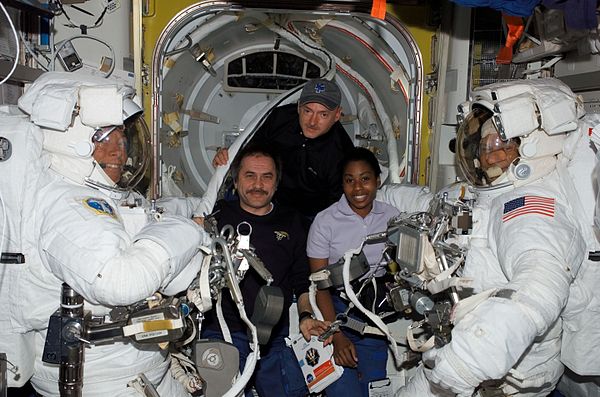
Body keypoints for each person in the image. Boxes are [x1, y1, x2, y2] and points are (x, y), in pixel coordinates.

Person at [0, 72, 209, 396]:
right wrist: (188, 231)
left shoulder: (95, 195)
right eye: (105, 138)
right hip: (104, 382)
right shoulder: (65, 205)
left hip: (143, 369)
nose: (119, 151)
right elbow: (118, 280)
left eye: (123, 137)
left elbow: (145, 218)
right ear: (70, 141)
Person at [397, 78, 589, 397]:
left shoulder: (530, 208)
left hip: (498, 375)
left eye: (503, 145)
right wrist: (380, 194)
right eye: (485, 146)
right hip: (458, 339)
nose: (491, 155)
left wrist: (461, 365)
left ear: (531, 147)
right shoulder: (484, 195)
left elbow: (538, 290)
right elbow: (428, 202)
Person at [198, 144, 330, 397]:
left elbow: (302, 281)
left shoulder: (293, 222)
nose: (258, 184)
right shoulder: (215, 217)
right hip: (223, 332)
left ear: (276, 184)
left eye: (266, 177)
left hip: (272, 336)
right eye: (250, 176)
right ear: (235, 182)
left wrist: (305, 317)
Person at [306, 147, 400, 397]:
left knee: (373, 389)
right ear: (342, 184)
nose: (358, 188)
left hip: (374, 314)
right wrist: (335, 335)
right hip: (336, 310)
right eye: (350, 180)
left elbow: (401, 265)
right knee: (342, 390)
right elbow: (319, 285)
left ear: (377, 181)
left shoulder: (392, 217)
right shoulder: (325, 221)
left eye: (365, 179)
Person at [212, 78, 354, 218]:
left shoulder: (343, 153)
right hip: (268, 194)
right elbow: (249, 150)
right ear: (298, 107)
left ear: (337, 115)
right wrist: (227, 155)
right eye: (307, 111)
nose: (312, 122)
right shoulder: (280, 118)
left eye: (323, 114)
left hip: (309, 213)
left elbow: (336, 207)